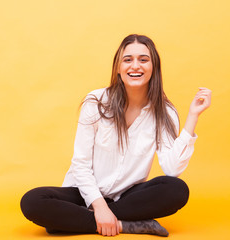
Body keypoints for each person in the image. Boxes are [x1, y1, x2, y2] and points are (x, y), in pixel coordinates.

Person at [20, 34, 212, 237]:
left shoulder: (165, 112)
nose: (135, 66)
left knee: (176, 189)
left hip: (126, 197)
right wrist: (99, 205)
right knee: (32, 201)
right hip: (85, 193)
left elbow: (172, 169)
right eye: (127, 60)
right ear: (118, 68)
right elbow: (81, 164)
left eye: (143, 60)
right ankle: (124, 225)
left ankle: (72, 222)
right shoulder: (95, 102)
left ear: (154, 67)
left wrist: (193, 116)